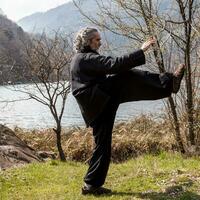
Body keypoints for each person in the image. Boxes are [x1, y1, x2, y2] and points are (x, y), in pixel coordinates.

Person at [70, 27, 185, 195]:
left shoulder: (82, 58)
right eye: (97, 39)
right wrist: (141, 50)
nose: (100, 42)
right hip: (99, 101)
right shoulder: (85, 58)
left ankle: (91, 185)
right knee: (127, 76)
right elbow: (114, 65)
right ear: (87, 41)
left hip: (97, 105)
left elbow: (108, 69)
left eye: (99, 39)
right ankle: (168, 84)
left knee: (102, 145)